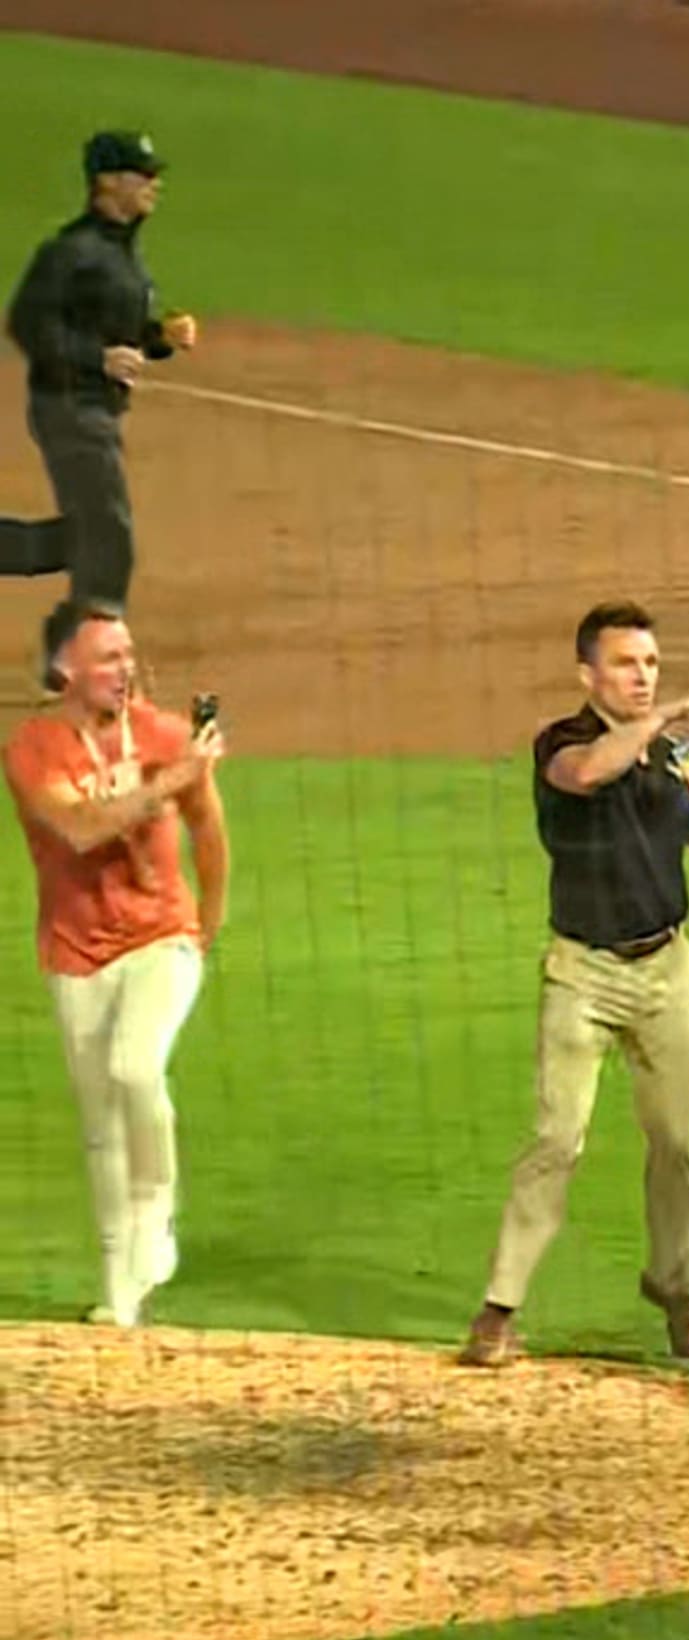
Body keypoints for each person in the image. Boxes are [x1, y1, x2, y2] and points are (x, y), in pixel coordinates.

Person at [462, 601, 689, 1369]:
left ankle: (678, 1291)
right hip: (582, 975)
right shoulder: (562, 743)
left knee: (675, 1146)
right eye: (626, 664)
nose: (643, 677)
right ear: (588, 674)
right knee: (556, 1138)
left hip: (666, 976)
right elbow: (591, 772)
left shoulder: (679, 758)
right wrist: (677, 713)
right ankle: (499, 1308)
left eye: (651, 665)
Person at [6, 599, 226, 1327]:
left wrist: (206, 927)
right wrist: (171, 778)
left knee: (136, 1068)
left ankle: (157, 1216)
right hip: (74, 955)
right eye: (107, 657)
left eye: (128, 655)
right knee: (99, 1123)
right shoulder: (34, 748)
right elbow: (77, 829)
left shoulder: (164, 732)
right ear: (66, 669)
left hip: (161, 937)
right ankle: (120, 1292)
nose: (123, 669)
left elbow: (209, 829)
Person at [3, 133, 196, 612]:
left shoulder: (122, 252)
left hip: (97, 407)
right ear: (108, 182)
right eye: (143, 174)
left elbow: (116, 334)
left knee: (85, 534)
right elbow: (27, 323)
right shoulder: (72, 251)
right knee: (108, 537)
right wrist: (98, 359)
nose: (155, 185)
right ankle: (87, 661)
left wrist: (159, 339)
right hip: (68, 405)